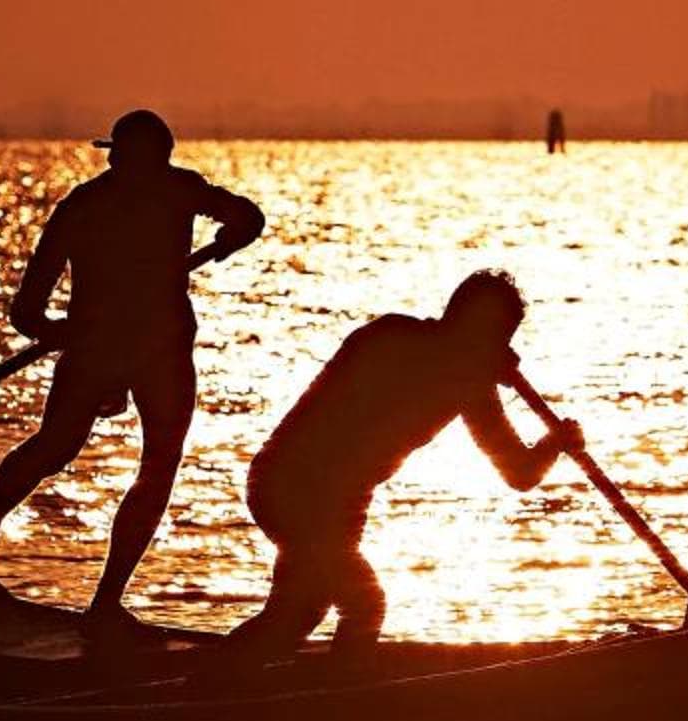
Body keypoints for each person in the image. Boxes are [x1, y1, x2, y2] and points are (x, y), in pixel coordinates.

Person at [0, 109, 264, 625]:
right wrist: (59, 332)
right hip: (100, 351)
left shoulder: (174, 191)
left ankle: (105, 603)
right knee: (55, 448)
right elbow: (26, 310)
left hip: (160, 353)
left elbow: (248, 217)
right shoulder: (87, 207)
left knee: (157, 464)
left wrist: (226, 243)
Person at [232, 270, 581, 655]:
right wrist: (477, 371)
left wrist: (554, 443)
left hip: (339, 506)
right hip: (291, 486)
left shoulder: (470, 381)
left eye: (502, 337)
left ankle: (230, 686)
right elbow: (394, 392)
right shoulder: (392, 336)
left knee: (298, 614)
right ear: (458, 318)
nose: (498, 347)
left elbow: (519, 473)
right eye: (492, 334)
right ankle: (337, 705)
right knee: (364, 605)